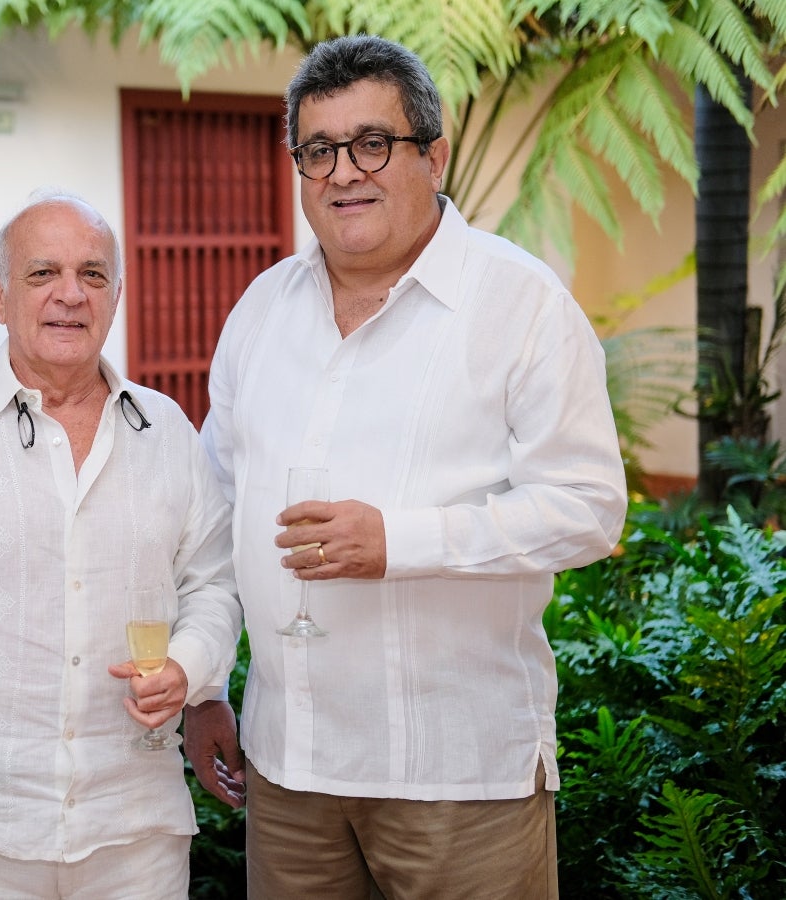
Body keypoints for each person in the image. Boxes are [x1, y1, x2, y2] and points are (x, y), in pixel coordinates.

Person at [187, 35, 628, 899]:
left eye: (372, 143)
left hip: (457, 777)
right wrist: (206, 685)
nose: (343, 172)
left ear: (434, 155)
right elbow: (216, 514)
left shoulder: (523, 305)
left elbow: (587, 509)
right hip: (289, 767)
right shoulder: (261, 311)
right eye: (318, 150)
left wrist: (401, 542)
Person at [0, 192, 242, 900]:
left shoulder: (168, 432)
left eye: (92, 274)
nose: (70, 294)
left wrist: (189, 665)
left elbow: (213, 584)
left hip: (135, 834)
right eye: (42, 273)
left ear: (117, 295)